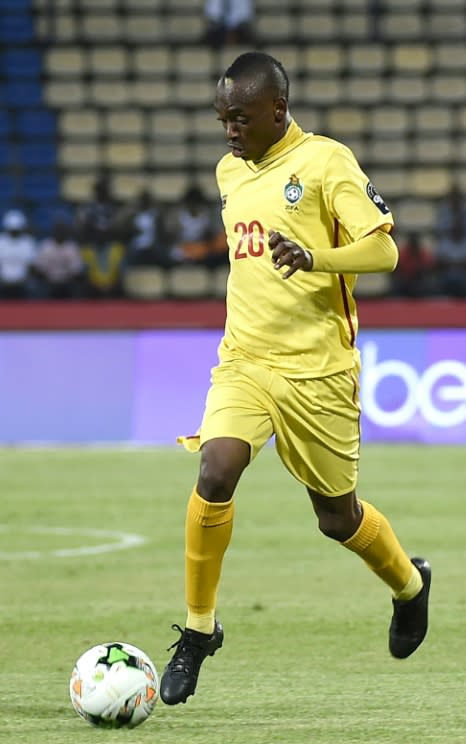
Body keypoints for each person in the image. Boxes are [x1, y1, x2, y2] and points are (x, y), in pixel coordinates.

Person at [159, 52, 432, 707]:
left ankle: (409, 586)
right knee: (215, 472)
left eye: (241, 118)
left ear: (278, 110)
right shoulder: (230, 171)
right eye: (222, 118)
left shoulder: (325, 163)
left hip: (319, 374)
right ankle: (200, 631)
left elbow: (386, 250)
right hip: (245, 363)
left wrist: (315, 257)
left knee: (337, 519)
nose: (229, 131)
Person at [167, 183, 227, 269]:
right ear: (186, 204)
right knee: (174, 253)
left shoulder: (207, 215)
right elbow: (172, 236)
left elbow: (212, 235)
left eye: (196, 204)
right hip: (184, 247)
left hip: (201, 247)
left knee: (212, 254)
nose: (193, 207)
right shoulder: (178, 216)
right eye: (191, 204)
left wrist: (204, 241)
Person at [33, 216, 85, 298]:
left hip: (67, 282)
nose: (60, 233)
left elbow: (77, 270)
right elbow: (38, 268)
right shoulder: (45, 246)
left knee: (78, 287)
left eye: (62, 231)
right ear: (53, 232)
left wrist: (67, 278)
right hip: (49, 282)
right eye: (58, 231)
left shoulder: (72, 247)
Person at [0, 209, 38, 299]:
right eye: (12, 230)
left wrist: (24, 280)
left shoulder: (28, 242)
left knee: (33, 286)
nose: (14, 232)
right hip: (2, 281)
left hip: (23, 283)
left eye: (16, 230)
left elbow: (32, 266)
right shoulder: (1, 241)